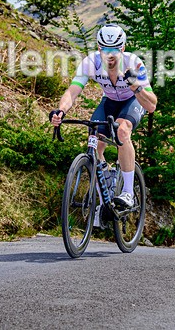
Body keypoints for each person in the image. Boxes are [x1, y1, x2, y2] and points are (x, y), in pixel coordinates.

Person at [50, 24, 157, 211]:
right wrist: (61, 110)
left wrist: (136, 87)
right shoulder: (91, 63)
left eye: (114, 50)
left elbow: (151, 105)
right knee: (94, 139)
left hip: (132, 101)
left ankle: (128, 192)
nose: (110, 55)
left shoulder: (134, 63)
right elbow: (73, 91)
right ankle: (103, 197)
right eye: (105, 49)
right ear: (99, 48)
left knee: (123, 131)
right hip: (109, 100)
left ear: (122, 48)